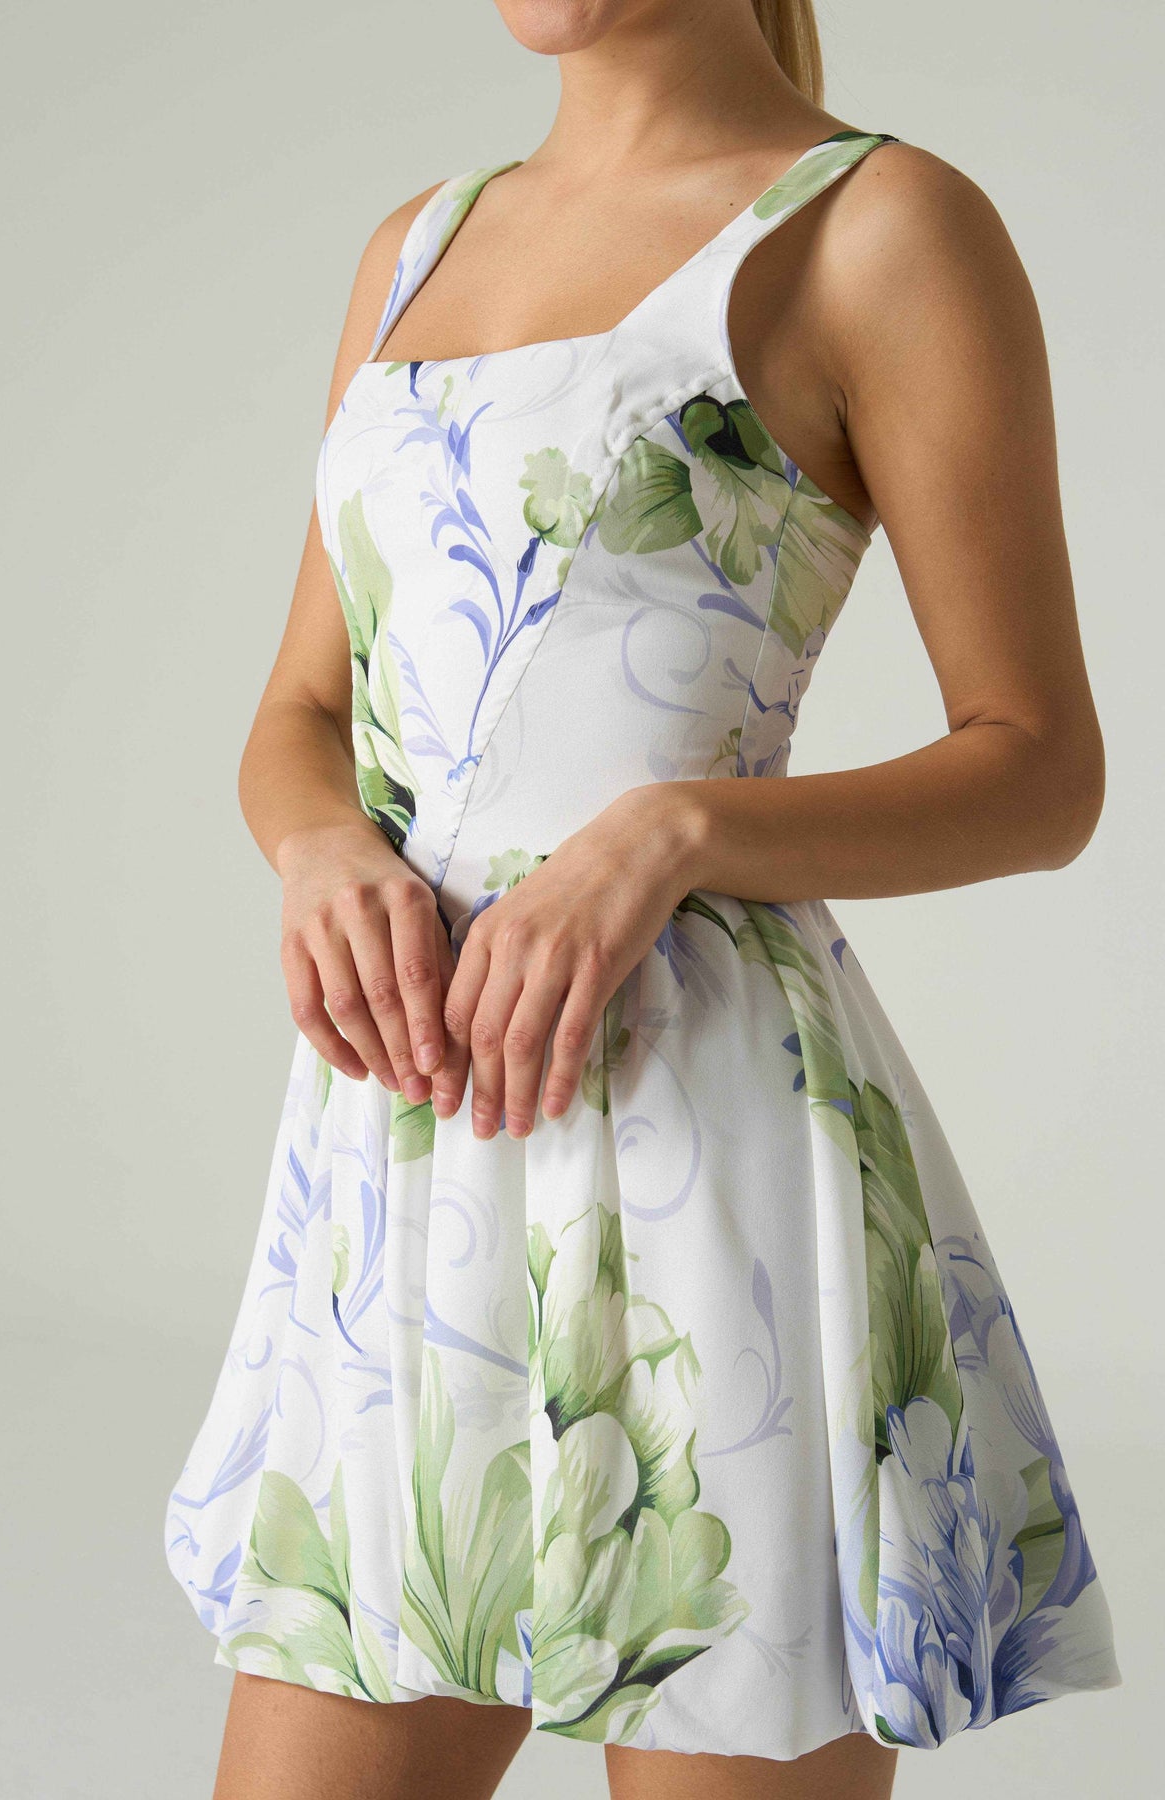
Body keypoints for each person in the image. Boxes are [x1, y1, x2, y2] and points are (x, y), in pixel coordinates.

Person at [164, 2, 1122, 1795]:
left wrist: (675, 832)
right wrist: (320, 849)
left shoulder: (879, 226)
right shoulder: (417, 245)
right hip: (408, 1163)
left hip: (709, 1173)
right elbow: (299, 718)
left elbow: (1041, 764)